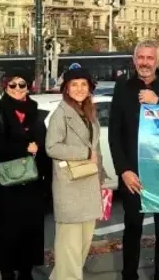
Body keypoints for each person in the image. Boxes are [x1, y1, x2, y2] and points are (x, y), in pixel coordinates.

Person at [109, 40, 159, 280]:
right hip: (134, 172)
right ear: (134, 60)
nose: (144, 63)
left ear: (158, 61)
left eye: (149, 58)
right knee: (132, 228)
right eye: (140, 58)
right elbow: (114, 133)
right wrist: (123, 170)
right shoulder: (122, 87)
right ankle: (129, 275)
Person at [0, 71, 49, 280]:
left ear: (28, 87)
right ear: (5, 88)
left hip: (31, 185)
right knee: (5, 235)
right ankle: (7, 274)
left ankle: (26, 273)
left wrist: (43, 170)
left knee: (29, 234)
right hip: (4, 187)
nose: (18, 89)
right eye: (12, 85)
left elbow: (44, 146)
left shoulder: (36, 113)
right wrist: (27, 149)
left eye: (22, 84)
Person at [46, 68, 105, 280]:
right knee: (68, 248)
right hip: (70, 187)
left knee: (80, 247)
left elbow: (95, 149)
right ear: (66, 89)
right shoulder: (61, 114)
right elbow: (51, 147)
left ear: (89, 87)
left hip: (88, 184)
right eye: (74, 84)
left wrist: (102, 176)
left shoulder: (88, 112)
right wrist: (85, 153)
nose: (79, 89)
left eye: (83, 84)